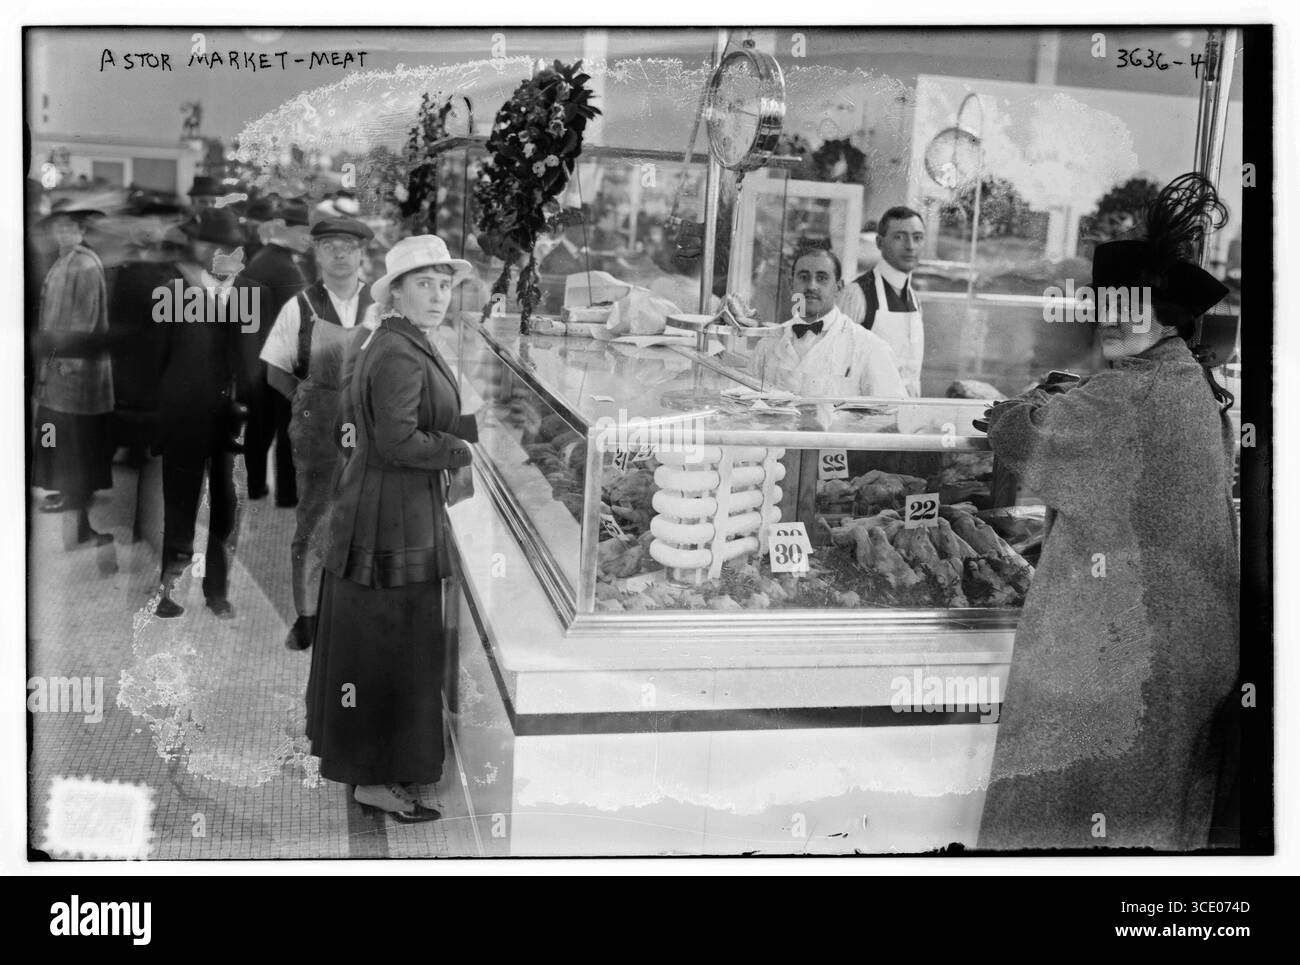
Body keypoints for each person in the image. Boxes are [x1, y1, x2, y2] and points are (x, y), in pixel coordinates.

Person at [977, 173, 1240, 851]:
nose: (1118, 318)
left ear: (1168, 314)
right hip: (1185, 649)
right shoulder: (1183, 376)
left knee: (1076, 822)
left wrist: (1012, 408)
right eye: (1108, 303)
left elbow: (1023, 435)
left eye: (1136, 305)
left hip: (1134, 658)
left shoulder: (1135, 394)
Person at [306, 234, 477, 821]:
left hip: (381, 509)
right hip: (390, 521)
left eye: (445, 284)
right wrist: (457, 447)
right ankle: (374, 779)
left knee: (375, 646)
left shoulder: (396, 338)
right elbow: (396, 439)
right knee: (387, 647)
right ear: (398, 291)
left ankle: (370, 764)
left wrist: (462, 432)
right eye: (425, 283)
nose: (438, 295)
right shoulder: (401, 350)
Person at [260, 216, 376, 651]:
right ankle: (307, 615)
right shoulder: (301, 306)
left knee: (367, 518)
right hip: (319, 433)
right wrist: (307, 403)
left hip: (371, 428)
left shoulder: (382, 306)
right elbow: (275, 370)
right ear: (317, 253)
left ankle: (355, 611)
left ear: (362, 252)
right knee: (314, 519)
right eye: (330, 246)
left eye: (348, 246)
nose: (340, 254)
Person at [153, 207, 247, 619]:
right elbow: (156, 357)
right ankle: (171, 589)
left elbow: (247, 359)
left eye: (225, 247)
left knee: (225, 506)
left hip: (225, 420)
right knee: (180, 505)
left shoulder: (240, 293)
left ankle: (216, 591)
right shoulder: (173, 289)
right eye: (211, 245)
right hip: (182, 418)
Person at [31, 202, 116, 546]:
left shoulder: (83, 264)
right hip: (58, 371)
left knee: (76, 448)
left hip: (75, 376)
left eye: (71, 228)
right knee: (57, 441)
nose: (64, 233)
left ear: (82, 232)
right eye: (60, 227)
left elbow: (84, 320)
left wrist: (66, 364)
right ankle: (66, 494)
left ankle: (81, 525)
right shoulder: (63, 261)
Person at [752, 246, 906, 399]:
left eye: (822, 278)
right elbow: (745, 402)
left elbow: (891, 414)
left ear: (838, 288)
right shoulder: (768, 343)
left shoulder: (869, 347)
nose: (812, 286)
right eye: (804, 277)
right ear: (792, 285)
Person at [235, 196, 310, 505]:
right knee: (287, 430)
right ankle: (288, 495)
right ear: (289, 232)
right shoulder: (287, 271)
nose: (309, 242)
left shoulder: (264, 259)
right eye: (305, 235)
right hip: (278, 364)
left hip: (254, 362)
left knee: (258, 427)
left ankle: (255, 485)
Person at [839, 205, 926, 396]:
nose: (910, 246)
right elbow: (838, 367)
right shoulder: (857, 294)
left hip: (907, 416)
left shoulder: (914, 299)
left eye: (917, 237)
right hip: (867, 417)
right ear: (879, 242)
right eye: (899, 237)